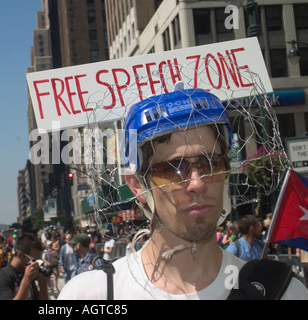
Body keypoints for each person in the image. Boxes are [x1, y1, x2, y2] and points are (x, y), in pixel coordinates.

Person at [58, 87, 308, 300]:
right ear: (137, 185)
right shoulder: (92, 294)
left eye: (211, 163)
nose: (197, 183)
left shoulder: (282, 292)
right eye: (172, 169)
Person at [0, 233, 48, 300]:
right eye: (34, 260)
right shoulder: (2, 277)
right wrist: (26, 280)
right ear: (20, 255)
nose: (36, 264)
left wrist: (43, 285)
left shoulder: (27, 271)